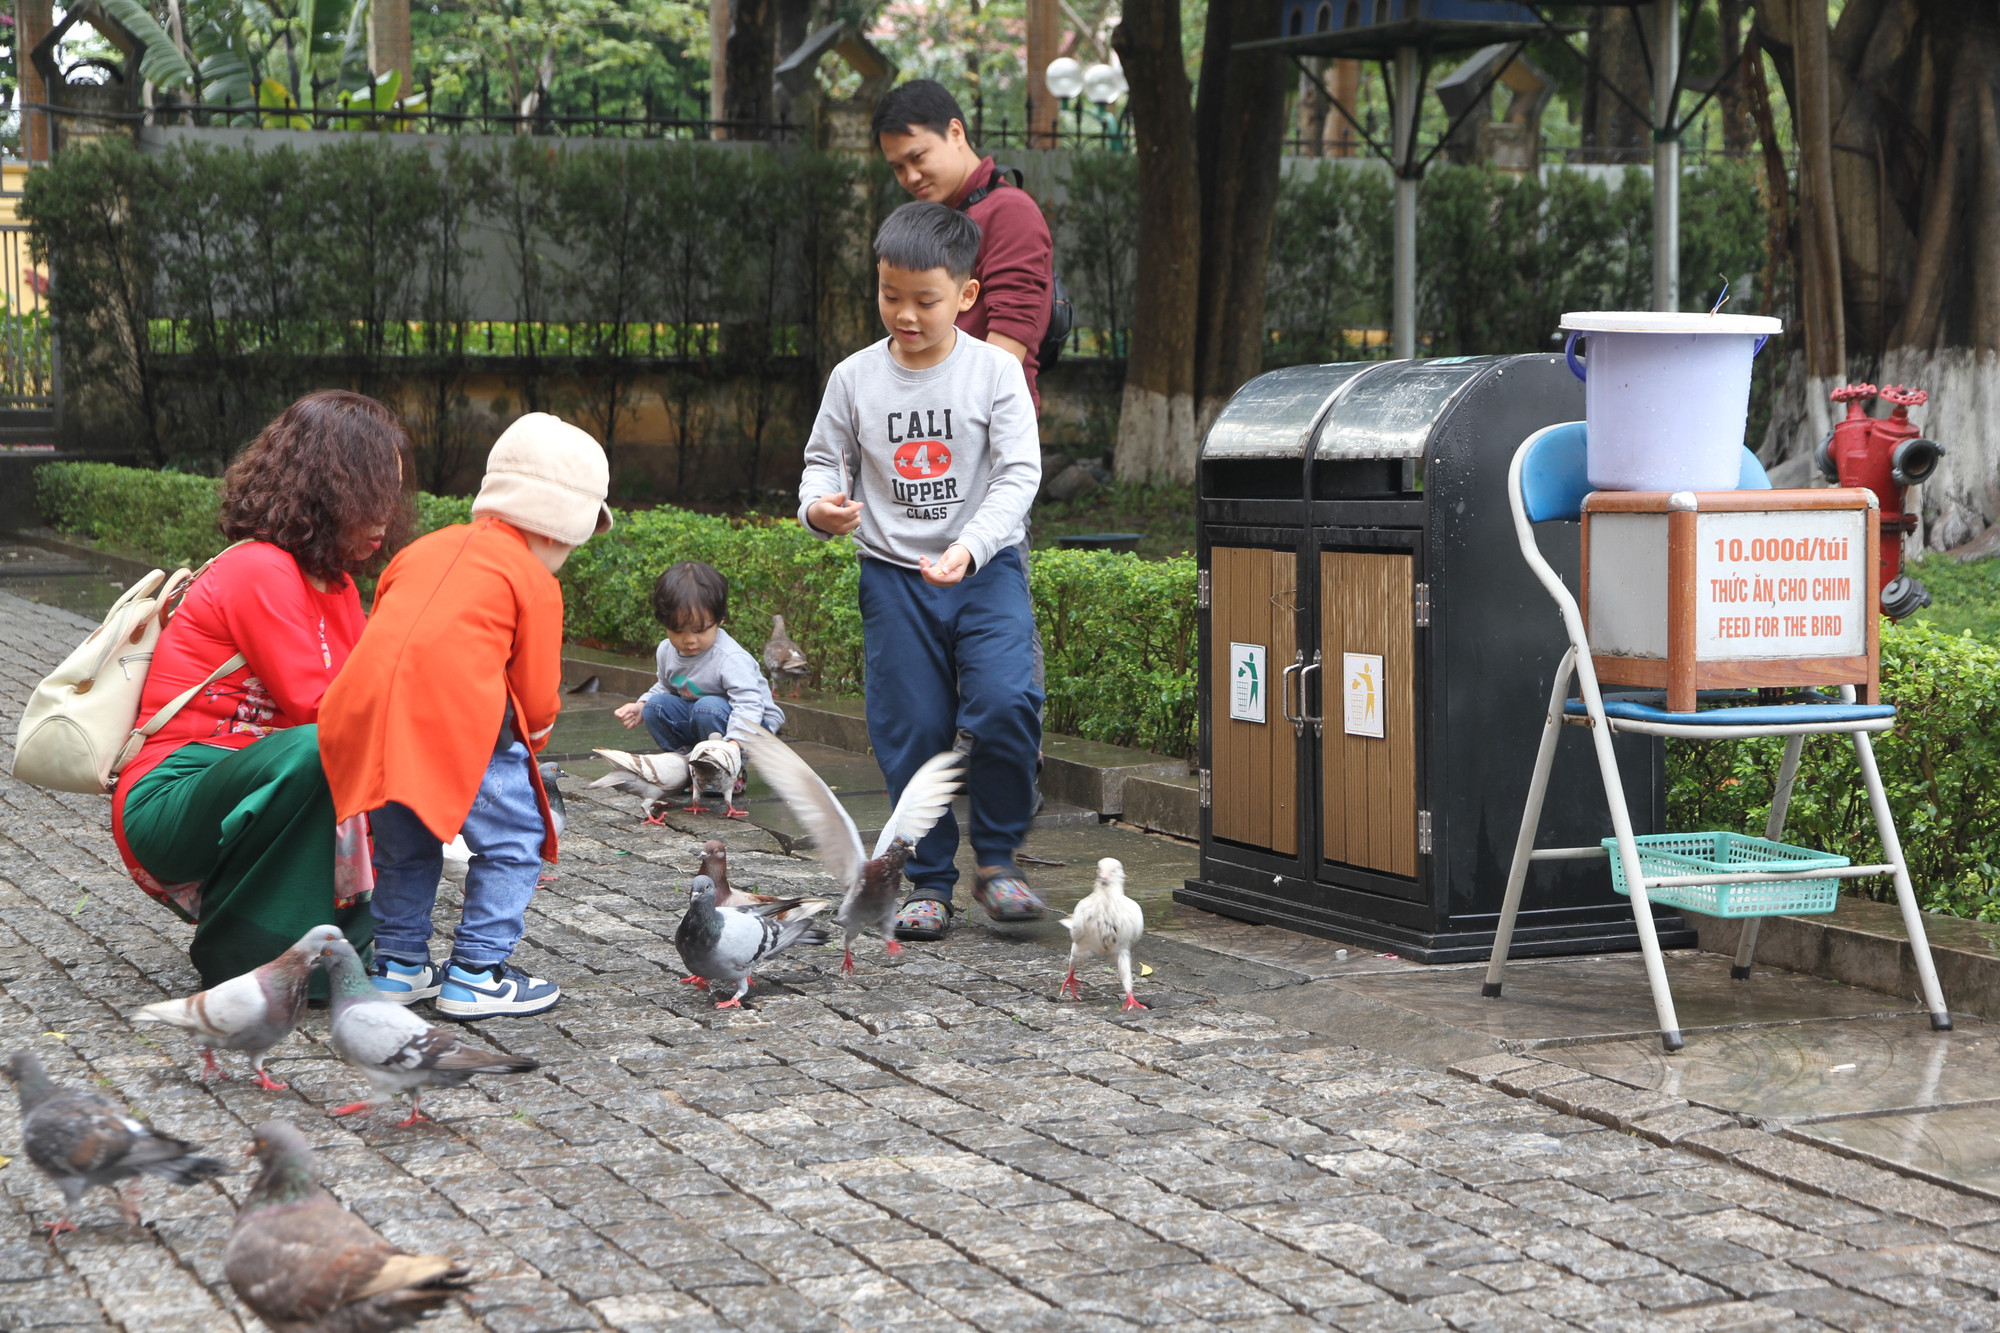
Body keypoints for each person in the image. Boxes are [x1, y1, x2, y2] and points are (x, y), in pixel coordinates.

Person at [797, 201, 1043, 941]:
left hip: (985, 569)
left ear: (966, 295)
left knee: (1004, 703)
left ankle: (999, 862)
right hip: (894, 576)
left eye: (925, 300)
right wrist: (820, 510)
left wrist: (970, 545)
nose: (905, 314)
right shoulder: (853, 378)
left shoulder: (995, 373)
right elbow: (820, 464)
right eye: (889, 296)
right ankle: (929, 879)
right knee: (913, 729)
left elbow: (1018, 473)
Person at [112, 390, 409, 995]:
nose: (385, 515)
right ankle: (245, 953)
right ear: (330, 489)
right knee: (327, 745)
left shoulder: (339, 588)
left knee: (351, 755)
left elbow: (370, 705)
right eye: (373, 494)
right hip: (171, 793)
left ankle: (339, 949)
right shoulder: (260, 569)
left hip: (254, 782)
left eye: (393, 494)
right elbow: (327, 711)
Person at [317, 413, 612, 1020]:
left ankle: (397, 965)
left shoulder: (421, 551)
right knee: (514, 839)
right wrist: (536, 735)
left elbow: (399, 637)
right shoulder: (532, 578)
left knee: (406, 842)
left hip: (369, 720)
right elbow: (535, 692)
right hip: (452, 724)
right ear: (561, 531)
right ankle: (478, 971)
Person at [873, 78, 1054, 412]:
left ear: (956, 132)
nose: (910, 176)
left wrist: (953, 418)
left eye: (918, 157)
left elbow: (1008, 342)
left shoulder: (1008, 211)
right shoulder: (948, 214)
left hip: (985, 423)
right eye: (898, 167)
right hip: (935, 420)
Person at [613, 561, 785, 757]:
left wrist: (734, 746)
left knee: (707, 708)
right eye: (677, 631)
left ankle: (727, 770)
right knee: (655, 707)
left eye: (699, 630)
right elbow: (665, 687)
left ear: (720, 619)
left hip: (753, 725)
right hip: (703, 715)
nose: (689, 640)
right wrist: (641, 706)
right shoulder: (666, 650)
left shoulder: (730, 658)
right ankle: (688, 763)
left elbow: (749, 704)